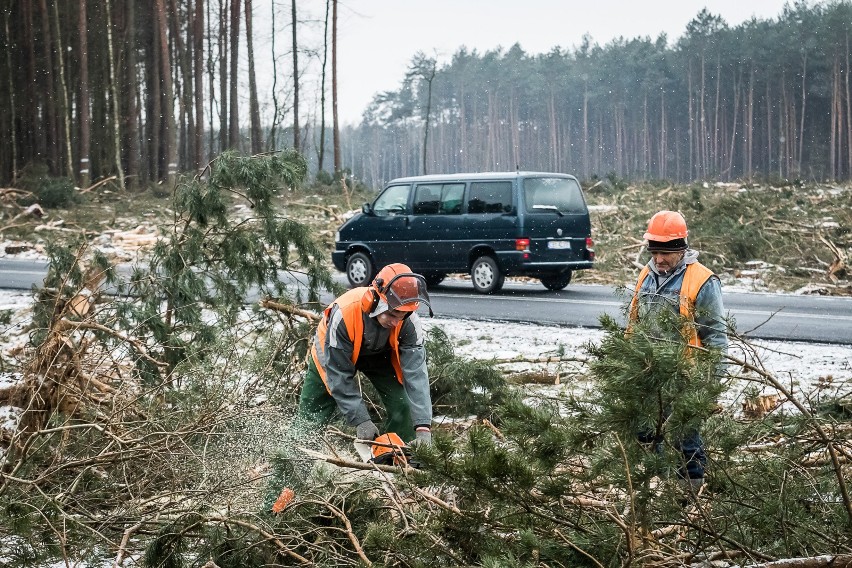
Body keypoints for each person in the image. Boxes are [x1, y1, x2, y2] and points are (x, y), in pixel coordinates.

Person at [628, 210, 728, 493]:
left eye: (665, 253)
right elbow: (634, 323)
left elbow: (717, 338)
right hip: (649, 373)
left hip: (686, 377)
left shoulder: (703, 281)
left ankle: (691, 499)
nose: (658, 260)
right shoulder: (646, 275)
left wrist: (711, 385)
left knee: (686, 439)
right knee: (646, 433)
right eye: (654, 252)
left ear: (681, 249)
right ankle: (658, 489)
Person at [298, 262, 434, 446]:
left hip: (380, 355)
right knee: (311, 418)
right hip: (332, 353)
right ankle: (288, 470)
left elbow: (417, 374)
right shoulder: (345, 314)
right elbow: (338, 374)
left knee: (403, 405)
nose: (396, 322)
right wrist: (360, 419)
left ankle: (401, 464)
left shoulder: (408, 321)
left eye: (402, 316)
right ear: (375, 299)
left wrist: (423, 426)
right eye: (393, 314)